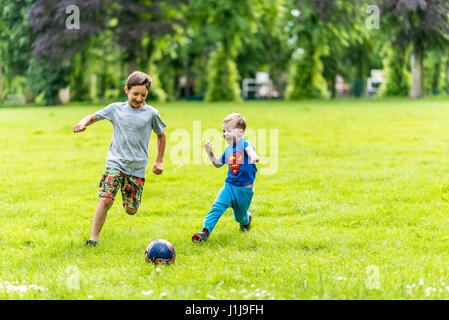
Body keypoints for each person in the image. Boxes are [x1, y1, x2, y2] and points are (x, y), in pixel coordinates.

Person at [72, 71, 167, 246]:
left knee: (131, 210)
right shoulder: (115, 109)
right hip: (115, 162)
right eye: (135, 94)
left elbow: (161, 135)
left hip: (137, 167)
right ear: (126, 90)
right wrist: (82, 123)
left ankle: (128, 202)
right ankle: (93, 239)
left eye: (143, 95)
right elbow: (93, 117)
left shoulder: (151, 113)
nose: (139, 98)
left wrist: (159, 161)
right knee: (106, 199)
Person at [192, 113, 259, 242]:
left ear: (240, 132)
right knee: (217, 207)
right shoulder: (228, 150)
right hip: (229, 186)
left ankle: (247, 218)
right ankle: (204, 232)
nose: (225, 134)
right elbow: (218, 164)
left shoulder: (245, 144)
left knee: (240, 218)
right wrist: (210, 153)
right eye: (223, 131)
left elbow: (250, 150)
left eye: (229, 131)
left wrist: (253, 156)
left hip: (244, 190)